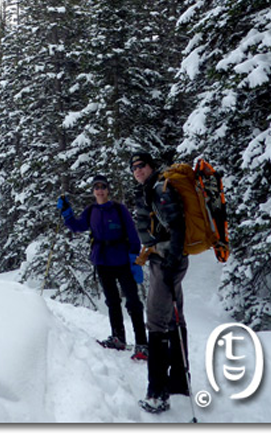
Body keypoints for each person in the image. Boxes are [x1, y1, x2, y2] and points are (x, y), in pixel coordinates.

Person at [57, 177, 148, 361]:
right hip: (103, 262)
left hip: (123, 261)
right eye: (97, 188)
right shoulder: (91, 210)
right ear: (93, 191)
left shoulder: (119, 209)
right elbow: (78, 226)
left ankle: (142, 344)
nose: (100, 191)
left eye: (103, 187)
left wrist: (134, 259)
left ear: (108, 190)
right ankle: (118, 338)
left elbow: (132, 233)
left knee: (133, 302)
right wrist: (66, 212)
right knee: (112, 301)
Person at [131, 151, 190, 415]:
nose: (137, 170)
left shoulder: (158, 189)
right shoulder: (152, 189)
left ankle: (157, 393)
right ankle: (178, 381)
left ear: (151, 166)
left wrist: (172, 261)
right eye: (133, 167)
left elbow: (178, 224)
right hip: (165, 259)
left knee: (156, 321)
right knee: (174, 320)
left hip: (167, 260)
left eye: (141, 165)